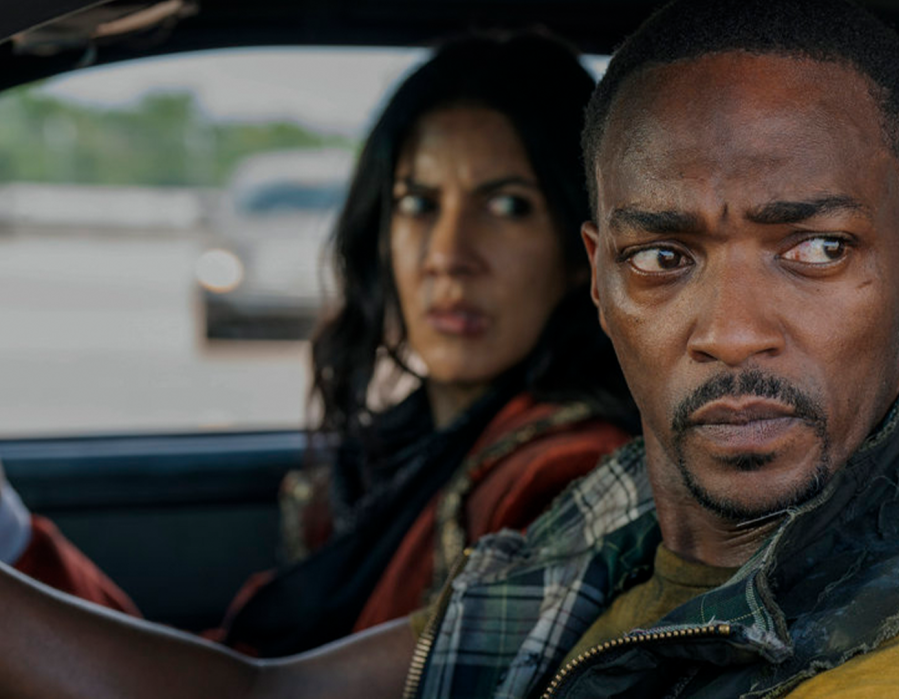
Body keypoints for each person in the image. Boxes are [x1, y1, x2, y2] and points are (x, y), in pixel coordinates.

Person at [0, 1, 899, 696]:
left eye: (811, 250)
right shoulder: (638, 511)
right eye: (666, 258)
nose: (732, 330)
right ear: (601, 278)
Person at [0, 32, 635, 655]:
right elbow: (236, 668)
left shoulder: (565, 475)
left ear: (582, 251)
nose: (447, 255)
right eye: (417, 203)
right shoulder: (397, 453)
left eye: (507, 207)